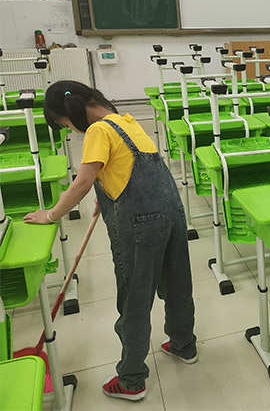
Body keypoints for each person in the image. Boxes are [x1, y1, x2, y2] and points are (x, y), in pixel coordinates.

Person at [24, 81, 197, 402]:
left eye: (64, 124)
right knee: (177, 284)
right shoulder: (127, 121)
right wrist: (104, 191)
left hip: (141, 225)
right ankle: (183, 344)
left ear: (71, 113)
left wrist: (50, 214)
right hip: (172, 213)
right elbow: (124, 169)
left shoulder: (97, 131)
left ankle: (131, 380)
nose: (71, 129)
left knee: (134, 300)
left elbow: (81, 182)